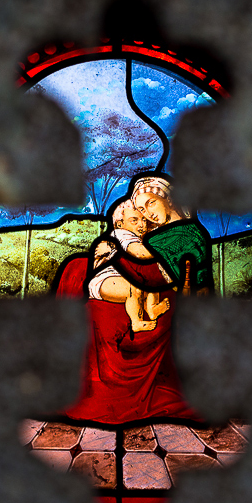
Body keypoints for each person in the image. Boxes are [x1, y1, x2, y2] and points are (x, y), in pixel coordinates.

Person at [54, 173, 212, 424]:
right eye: (139, 210)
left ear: (168, 198)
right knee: (77, 269)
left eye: (150, 204)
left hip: (146, 284)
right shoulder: (151, 234)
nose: (147, 216)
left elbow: (194, 283)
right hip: (129, 280)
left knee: (88, 274)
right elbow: (135, 258)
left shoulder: (185, 234)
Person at [87, 200, 170, 333]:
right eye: (134, 220)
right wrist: (164, 249)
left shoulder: (139, 237)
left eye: (144, 219)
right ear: (120, 224)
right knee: (134, 287)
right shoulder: (120, 234)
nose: (141, 224)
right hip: (104, 280)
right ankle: (136, 322)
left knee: (150, 281)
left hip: (126, 277)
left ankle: (152, 308)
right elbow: (140, 253)